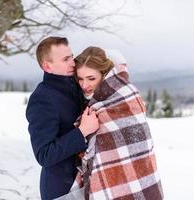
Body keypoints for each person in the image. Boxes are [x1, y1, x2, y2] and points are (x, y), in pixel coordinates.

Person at [61, 46, 163, 200]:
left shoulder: (126, 94)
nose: (84, 85)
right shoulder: (92, 103)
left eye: (91, 78)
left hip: (139, 176)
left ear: (104, 75)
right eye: (80, 78)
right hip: (106, 178)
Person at [26, 37, 99, 200]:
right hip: (64, 190)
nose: (73, 62)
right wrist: (82, 132)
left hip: (88, 182)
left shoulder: (76, 85)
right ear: (47, 66)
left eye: (72, 56)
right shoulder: (41, 98)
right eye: (66, 59)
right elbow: (44, 155)